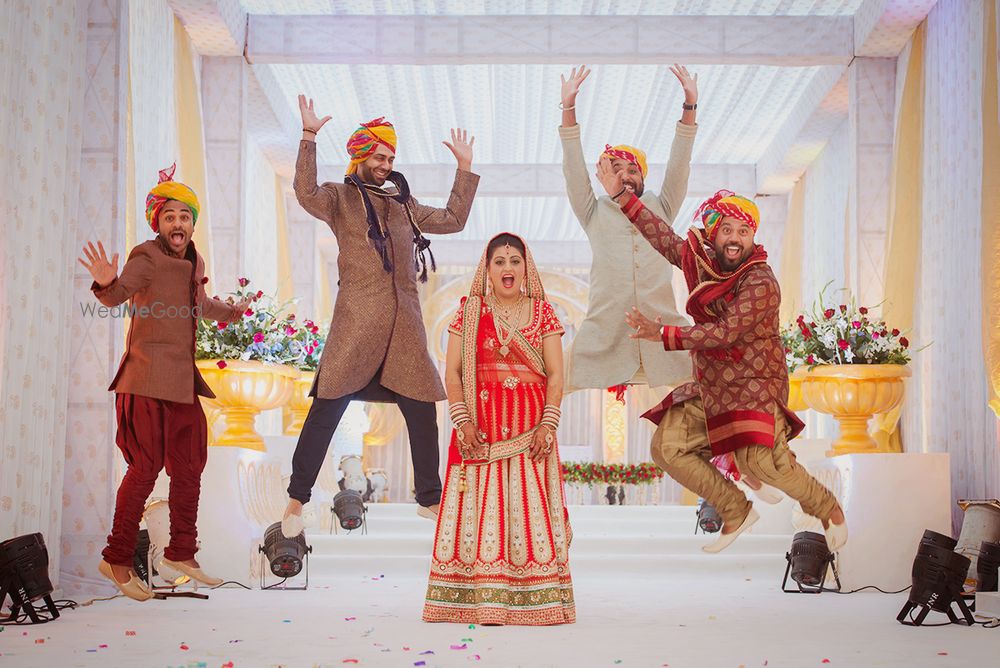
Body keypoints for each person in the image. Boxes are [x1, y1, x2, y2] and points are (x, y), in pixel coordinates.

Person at [595, 168, 848, 554]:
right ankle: (734, 509)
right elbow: (664, 240)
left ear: (752, 238)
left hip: (754, 387)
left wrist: (664, 334)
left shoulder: (760, 281)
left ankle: (826, 507)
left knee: (764, 464)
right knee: (668, 446)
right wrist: (623, 199)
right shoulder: (706, 265)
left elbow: (726, 333)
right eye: (727, 230)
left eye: (743, 232)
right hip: (713, 385)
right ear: (715, 234)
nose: (734, 239)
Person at [282, 97, 480, 537]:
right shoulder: (339, 198)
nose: (386, 164)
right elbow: (305, 193)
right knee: (326, 409)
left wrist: (464, 169)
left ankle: (429, 499)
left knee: (422, 407)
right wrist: (309, 137)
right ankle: (296, 500)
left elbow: (453, 219)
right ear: (360, 156)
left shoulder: (404, 206)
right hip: (357, 322)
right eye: (379, 156)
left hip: (404, 327)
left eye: (391, 157)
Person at [79, 165, 250, 600]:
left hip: (180, 382)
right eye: (170, 216)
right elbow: (117, 294)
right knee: (145, 467)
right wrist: (104, 282)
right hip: (144, 380)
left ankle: (181, 552)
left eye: (185, 217)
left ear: (193, 223)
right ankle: (116, 558)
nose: (178, 224)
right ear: (158, 222)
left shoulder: (195, 259)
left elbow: (200, 304)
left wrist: (233, 311)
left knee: (191, 464)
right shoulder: (146, 257)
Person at [422, 233, 575, 626]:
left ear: (527, 267)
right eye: (500, 261)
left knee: (526, 510)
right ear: (486, 269)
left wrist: (548, 423)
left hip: (530, 432)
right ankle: (476, 598)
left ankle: (532, 600)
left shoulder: (544, 314)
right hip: (482, 429)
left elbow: (556, 376)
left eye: (515, 261)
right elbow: (452, 372)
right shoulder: (468, 313)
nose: (508, 268)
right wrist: (461, 419)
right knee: (482, 507)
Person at [558, 64, 697, 393]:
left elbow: (680, 164)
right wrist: (568, 108)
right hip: (603, 337)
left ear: (643, 176)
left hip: (663, 336)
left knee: (709, 381)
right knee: (552, 383)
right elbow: (573, 167)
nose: (624, 175)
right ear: (605, 177)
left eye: (631, 169)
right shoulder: (594, 211)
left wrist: (689, 104)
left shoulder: (661, 208)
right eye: (615, 169)